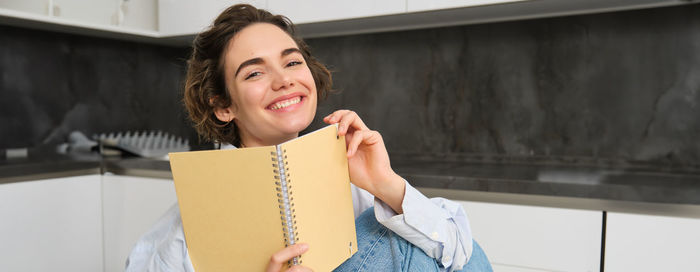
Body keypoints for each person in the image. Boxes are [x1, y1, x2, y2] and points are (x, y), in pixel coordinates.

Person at [125, 4, 492, 272]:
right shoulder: (183, 234)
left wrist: (386, 185)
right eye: (254, 73)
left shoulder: (351, 175)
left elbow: (464, 256)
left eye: (292, 61)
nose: (284, 80)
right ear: (223, 105)